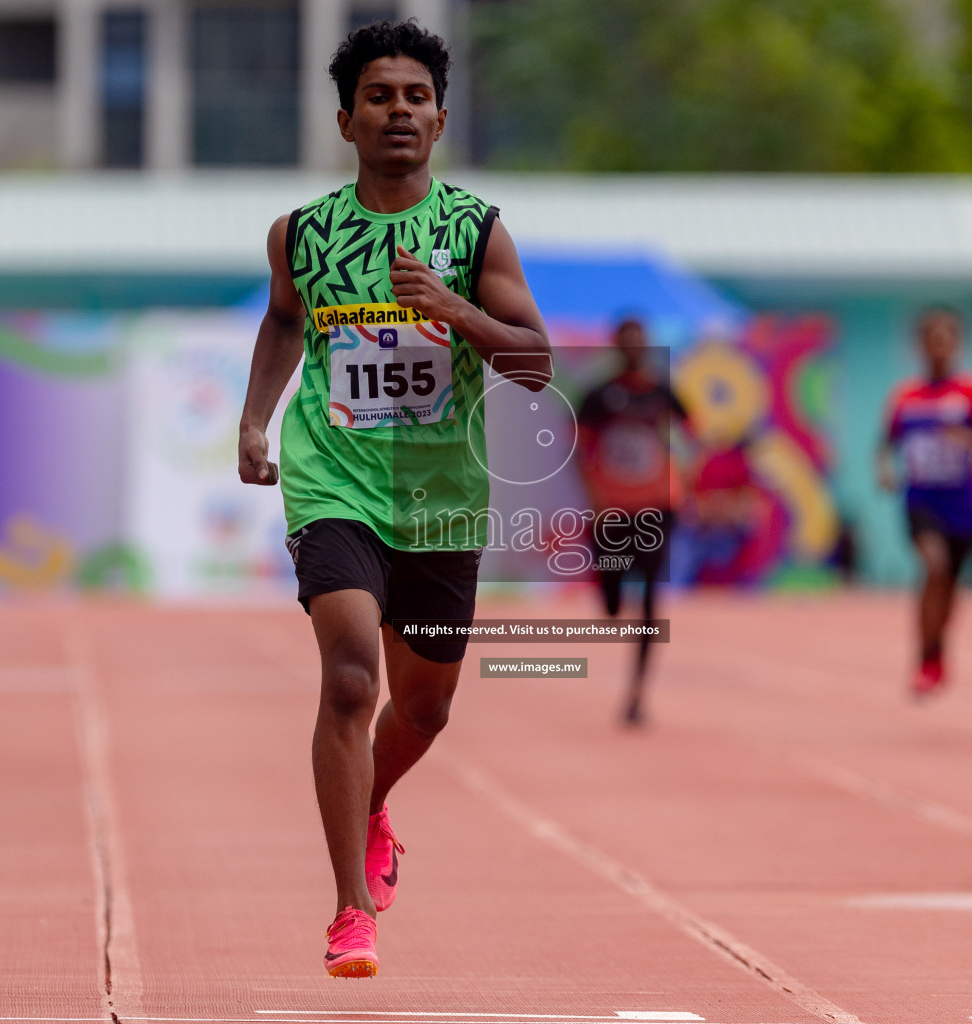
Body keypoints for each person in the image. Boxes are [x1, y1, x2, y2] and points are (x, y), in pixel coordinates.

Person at [237, 20, 551, 979]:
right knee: (346, 680)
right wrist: (256, 420)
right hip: (335, 479)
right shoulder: (303, 233)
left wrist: (454, 311)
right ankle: (349, 910)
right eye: (380, 96)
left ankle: (374, 804)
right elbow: (285, 320)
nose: (399, 111)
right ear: (347, 119)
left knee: (423, 710)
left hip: (441, 493)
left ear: (442, 117)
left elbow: (535, 365)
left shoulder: (474, 229)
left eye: (416, 97)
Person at [877, 308, 972, 698]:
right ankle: (925, 656)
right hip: (922, 500)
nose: (939, 348)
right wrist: (883, 470)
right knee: (934, 566)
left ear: (957, 345)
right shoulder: (905, 397)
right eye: (932, 340)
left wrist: (970, 439)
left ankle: (937, 650)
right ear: (921, 346)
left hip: (963, 504)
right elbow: (884, 445)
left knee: (948, 584)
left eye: (946, 340)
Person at [575, 318, 686, 727]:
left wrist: (682, 479)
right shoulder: (599, 396)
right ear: (617, 345)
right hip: (611, 514)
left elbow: (693, 431)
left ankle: (637, 694)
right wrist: (595, 501)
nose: (635, 347)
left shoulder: (662, 392)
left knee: (652, 600)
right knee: (611, 604)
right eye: (628, 340)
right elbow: (580, 452)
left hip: (657, 508)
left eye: (641, 340)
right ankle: (610, 592)